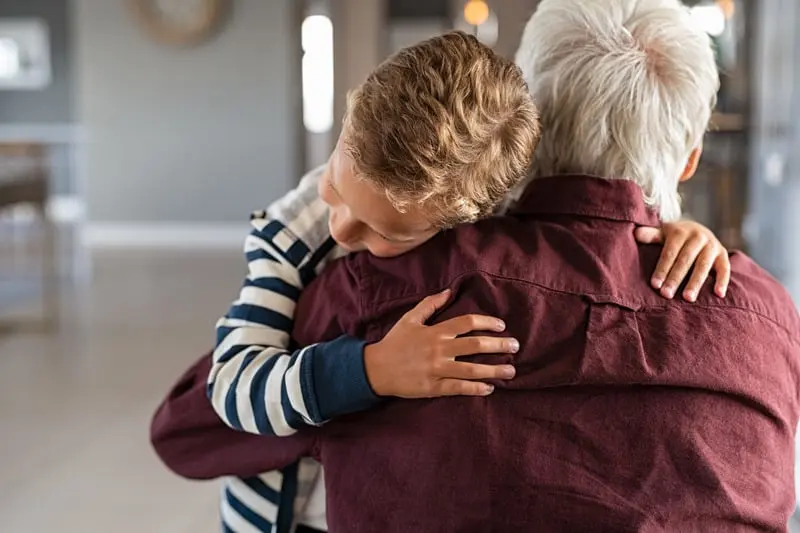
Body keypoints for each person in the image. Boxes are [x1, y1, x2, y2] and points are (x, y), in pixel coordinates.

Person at [152, 21, 739, 533]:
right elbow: (231, 391)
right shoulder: (288, 238)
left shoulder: (486, 218)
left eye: (384, 232)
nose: (339, 229)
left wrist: (678, 226)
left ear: (472, 224)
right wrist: (371, 369)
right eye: (336, 184)